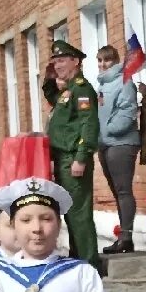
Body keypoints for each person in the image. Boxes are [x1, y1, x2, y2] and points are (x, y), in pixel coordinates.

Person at [42, 38, 103, 264]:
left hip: (72, 158)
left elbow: (89, 124)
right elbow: (52, 98)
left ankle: (89, 262)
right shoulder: (68, 90)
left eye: (62, 61)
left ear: (75, 61)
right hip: (62, 158)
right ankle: (78, 257)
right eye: (54, 61)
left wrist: (82, 156)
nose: (57, 65)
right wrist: (50, 79)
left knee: (78, 213)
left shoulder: (82, 88)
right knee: (70, 211)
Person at [94, 42, 144, 253]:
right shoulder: (102, 85)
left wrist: (110, 129)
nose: (103, 64)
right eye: (100, 60)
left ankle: (126, 236)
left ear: (115, 61)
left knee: (123, 191)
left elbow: (127, 110)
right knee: (117, 191)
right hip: (106, 143)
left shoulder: (124, 81)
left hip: (121, 142)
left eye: (107, 60)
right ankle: (124, 237)